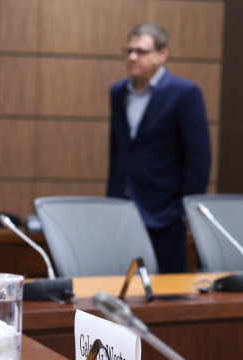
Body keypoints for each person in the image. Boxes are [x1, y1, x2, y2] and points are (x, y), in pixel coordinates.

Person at [107, 23, 211, 273]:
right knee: (120, 285)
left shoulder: (184, 93)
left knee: (168, 293)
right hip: (123, 209)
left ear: (162, 54)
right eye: (129, 51)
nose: (132, 57)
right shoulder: (118, 92)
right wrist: (111, 201)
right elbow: (119, 151)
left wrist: (183, 211)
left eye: (141, 51)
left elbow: (199, 157)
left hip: (166, 213)